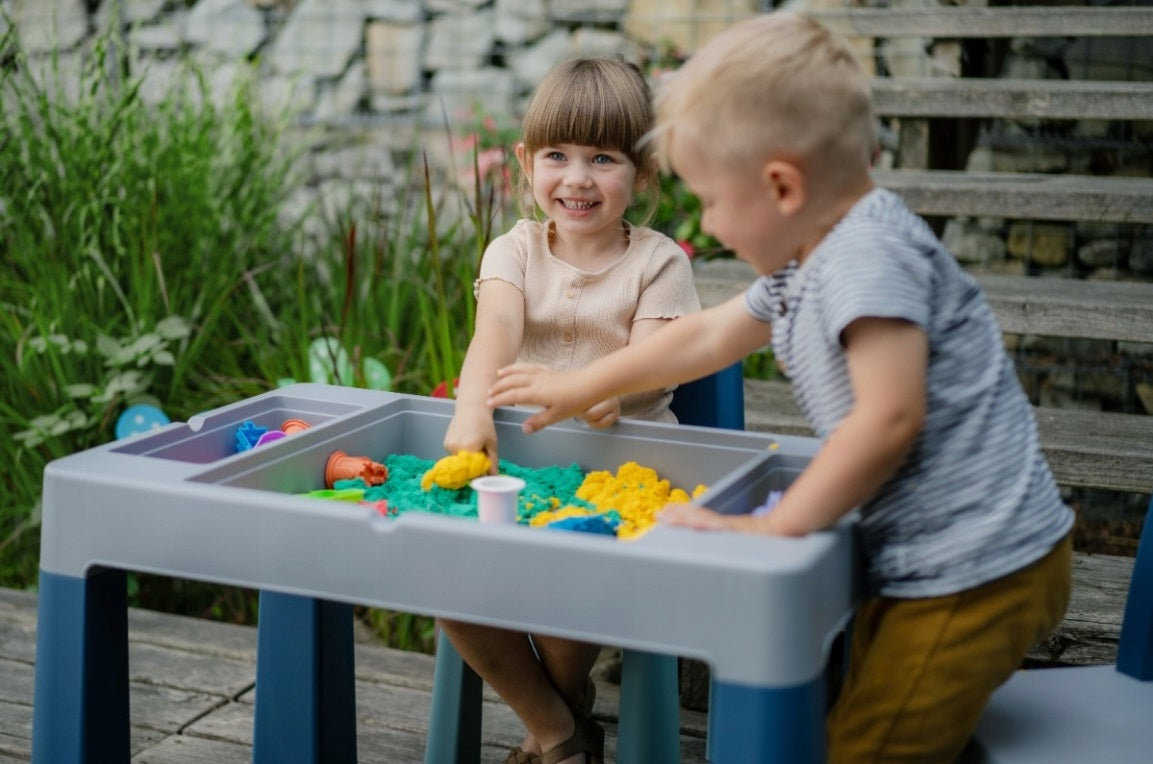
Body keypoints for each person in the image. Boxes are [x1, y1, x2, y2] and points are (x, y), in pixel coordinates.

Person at [487, 12, 1075, 763]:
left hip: (975, 567)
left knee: (867, 748)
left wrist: (777, 528)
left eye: (712, 199)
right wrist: (581, 385)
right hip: (929, 561)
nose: (708, 223)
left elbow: (888, 419)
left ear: (781, 188)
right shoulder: (810, 261)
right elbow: (704, 338)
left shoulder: (864, 260)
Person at [439, 55, 700, 764]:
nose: (577, 178)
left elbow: (648, 364)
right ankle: (562, 725)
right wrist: (471, 409)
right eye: (557, 155)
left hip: (623, 474)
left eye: (602, 158)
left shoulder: (659, 263)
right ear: (526, 162)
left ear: (643, 172)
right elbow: (494, 330)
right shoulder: (515, 250)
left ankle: (553, 734)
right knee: (443, 575)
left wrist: (598, 393)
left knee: (568, 571)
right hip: (524, 466)